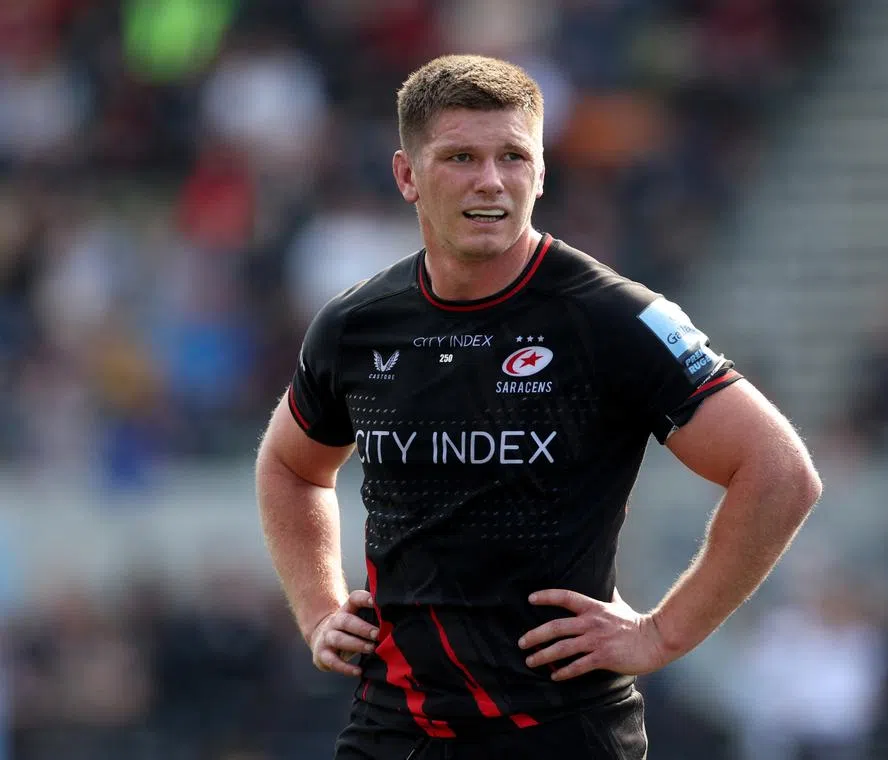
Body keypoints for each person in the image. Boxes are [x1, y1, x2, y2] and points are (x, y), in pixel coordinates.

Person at [255, 54, 822, 759]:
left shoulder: (612, 318)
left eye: (513, 157)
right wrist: (316, 610)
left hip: (560, 732)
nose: (490, 181)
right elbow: (290, 467)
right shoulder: (357, 325)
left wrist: (661, 633)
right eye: (460, 156)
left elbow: (779, 472)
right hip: (396, 730)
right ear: (407, 175)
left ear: (541, 173)